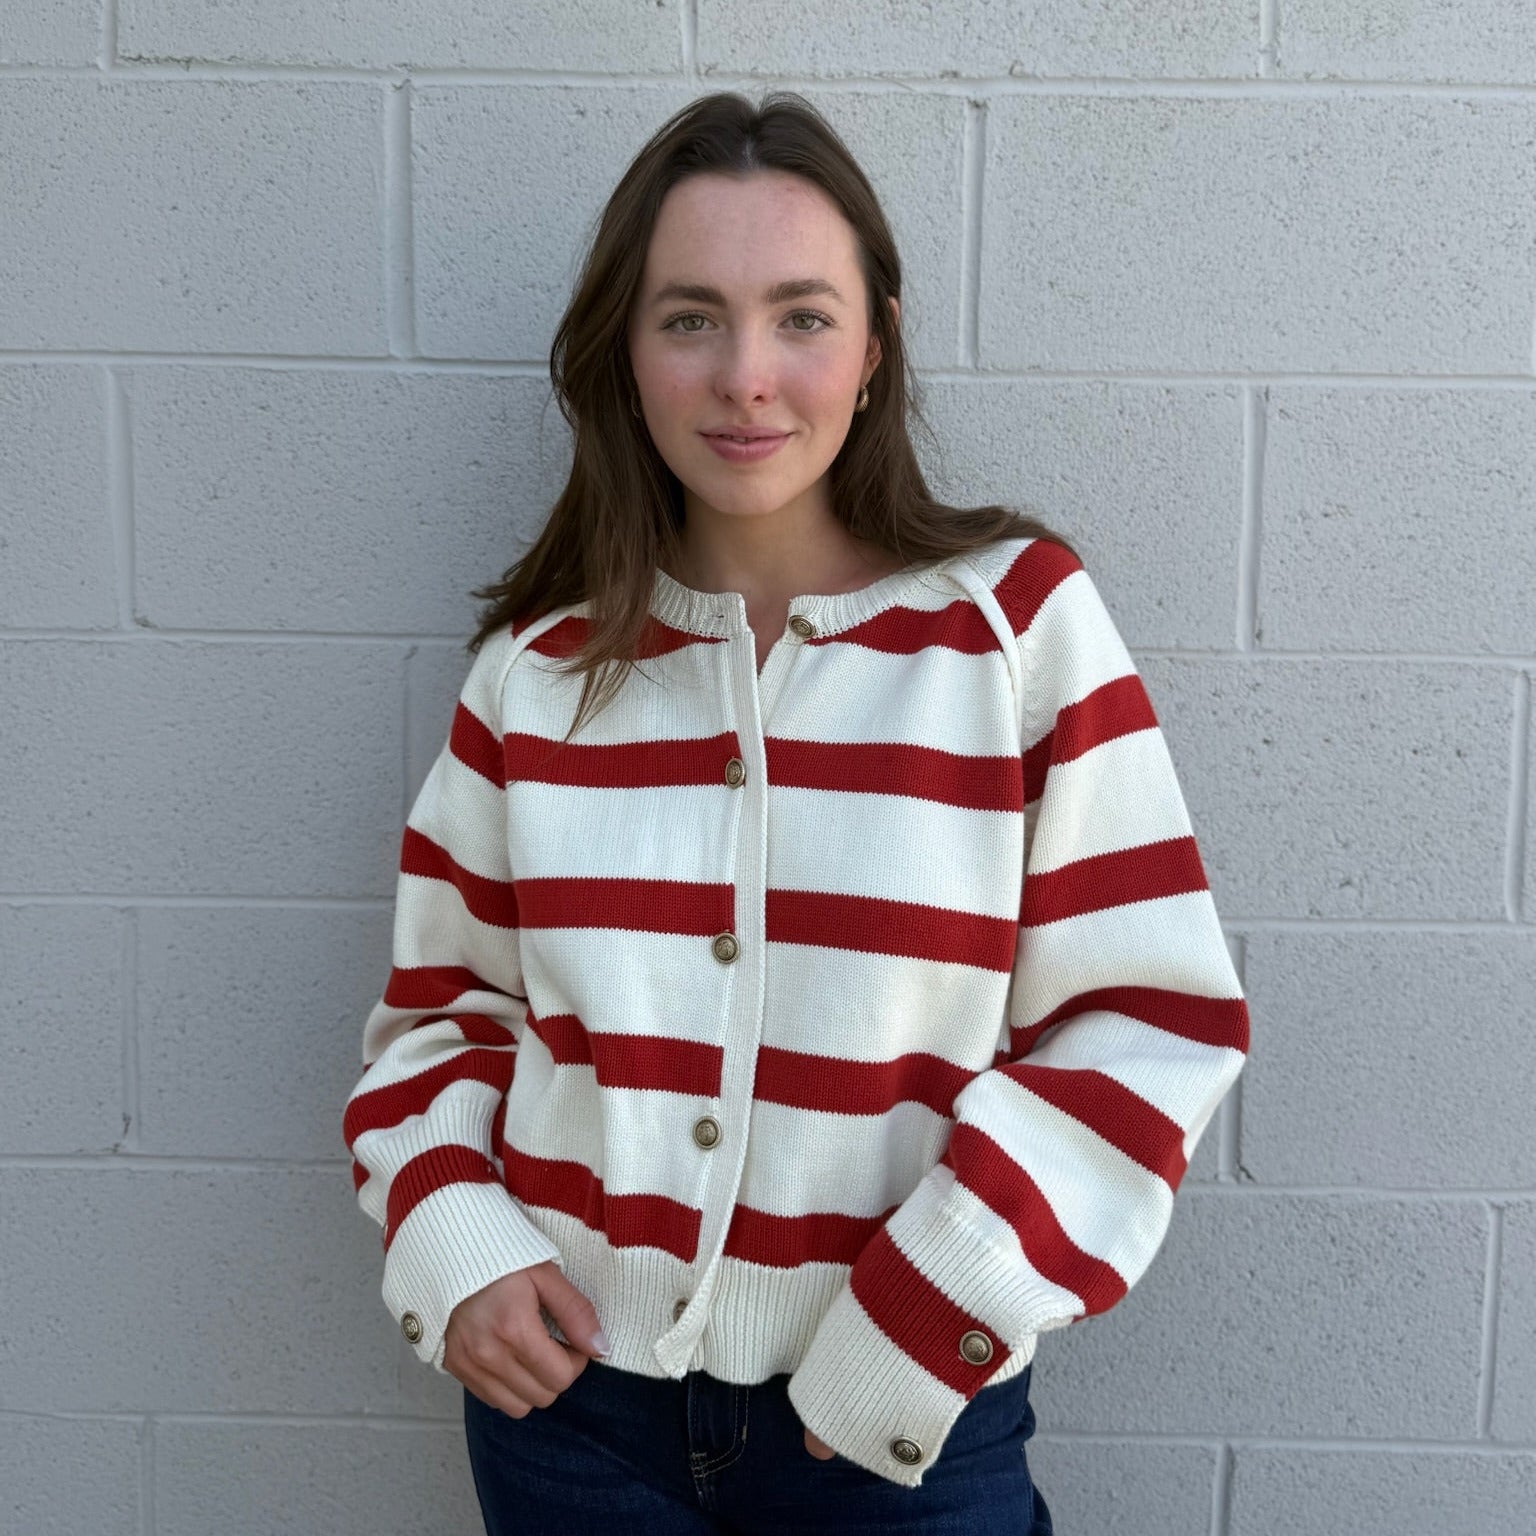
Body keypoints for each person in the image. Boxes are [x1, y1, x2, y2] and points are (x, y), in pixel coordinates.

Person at [342, 89, 1250, 1536]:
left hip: (895, 1428)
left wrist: (923, 1315)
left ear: (876, 345)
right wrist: (454, 1244)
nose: (746, 376)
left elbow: (1146, 1022)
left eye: (802, 317)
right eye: (690, 316)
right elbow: (442, 1017)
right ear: (623, 356)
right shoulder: (539, 674)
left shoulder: (1016, 628)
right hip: (575, 1425)